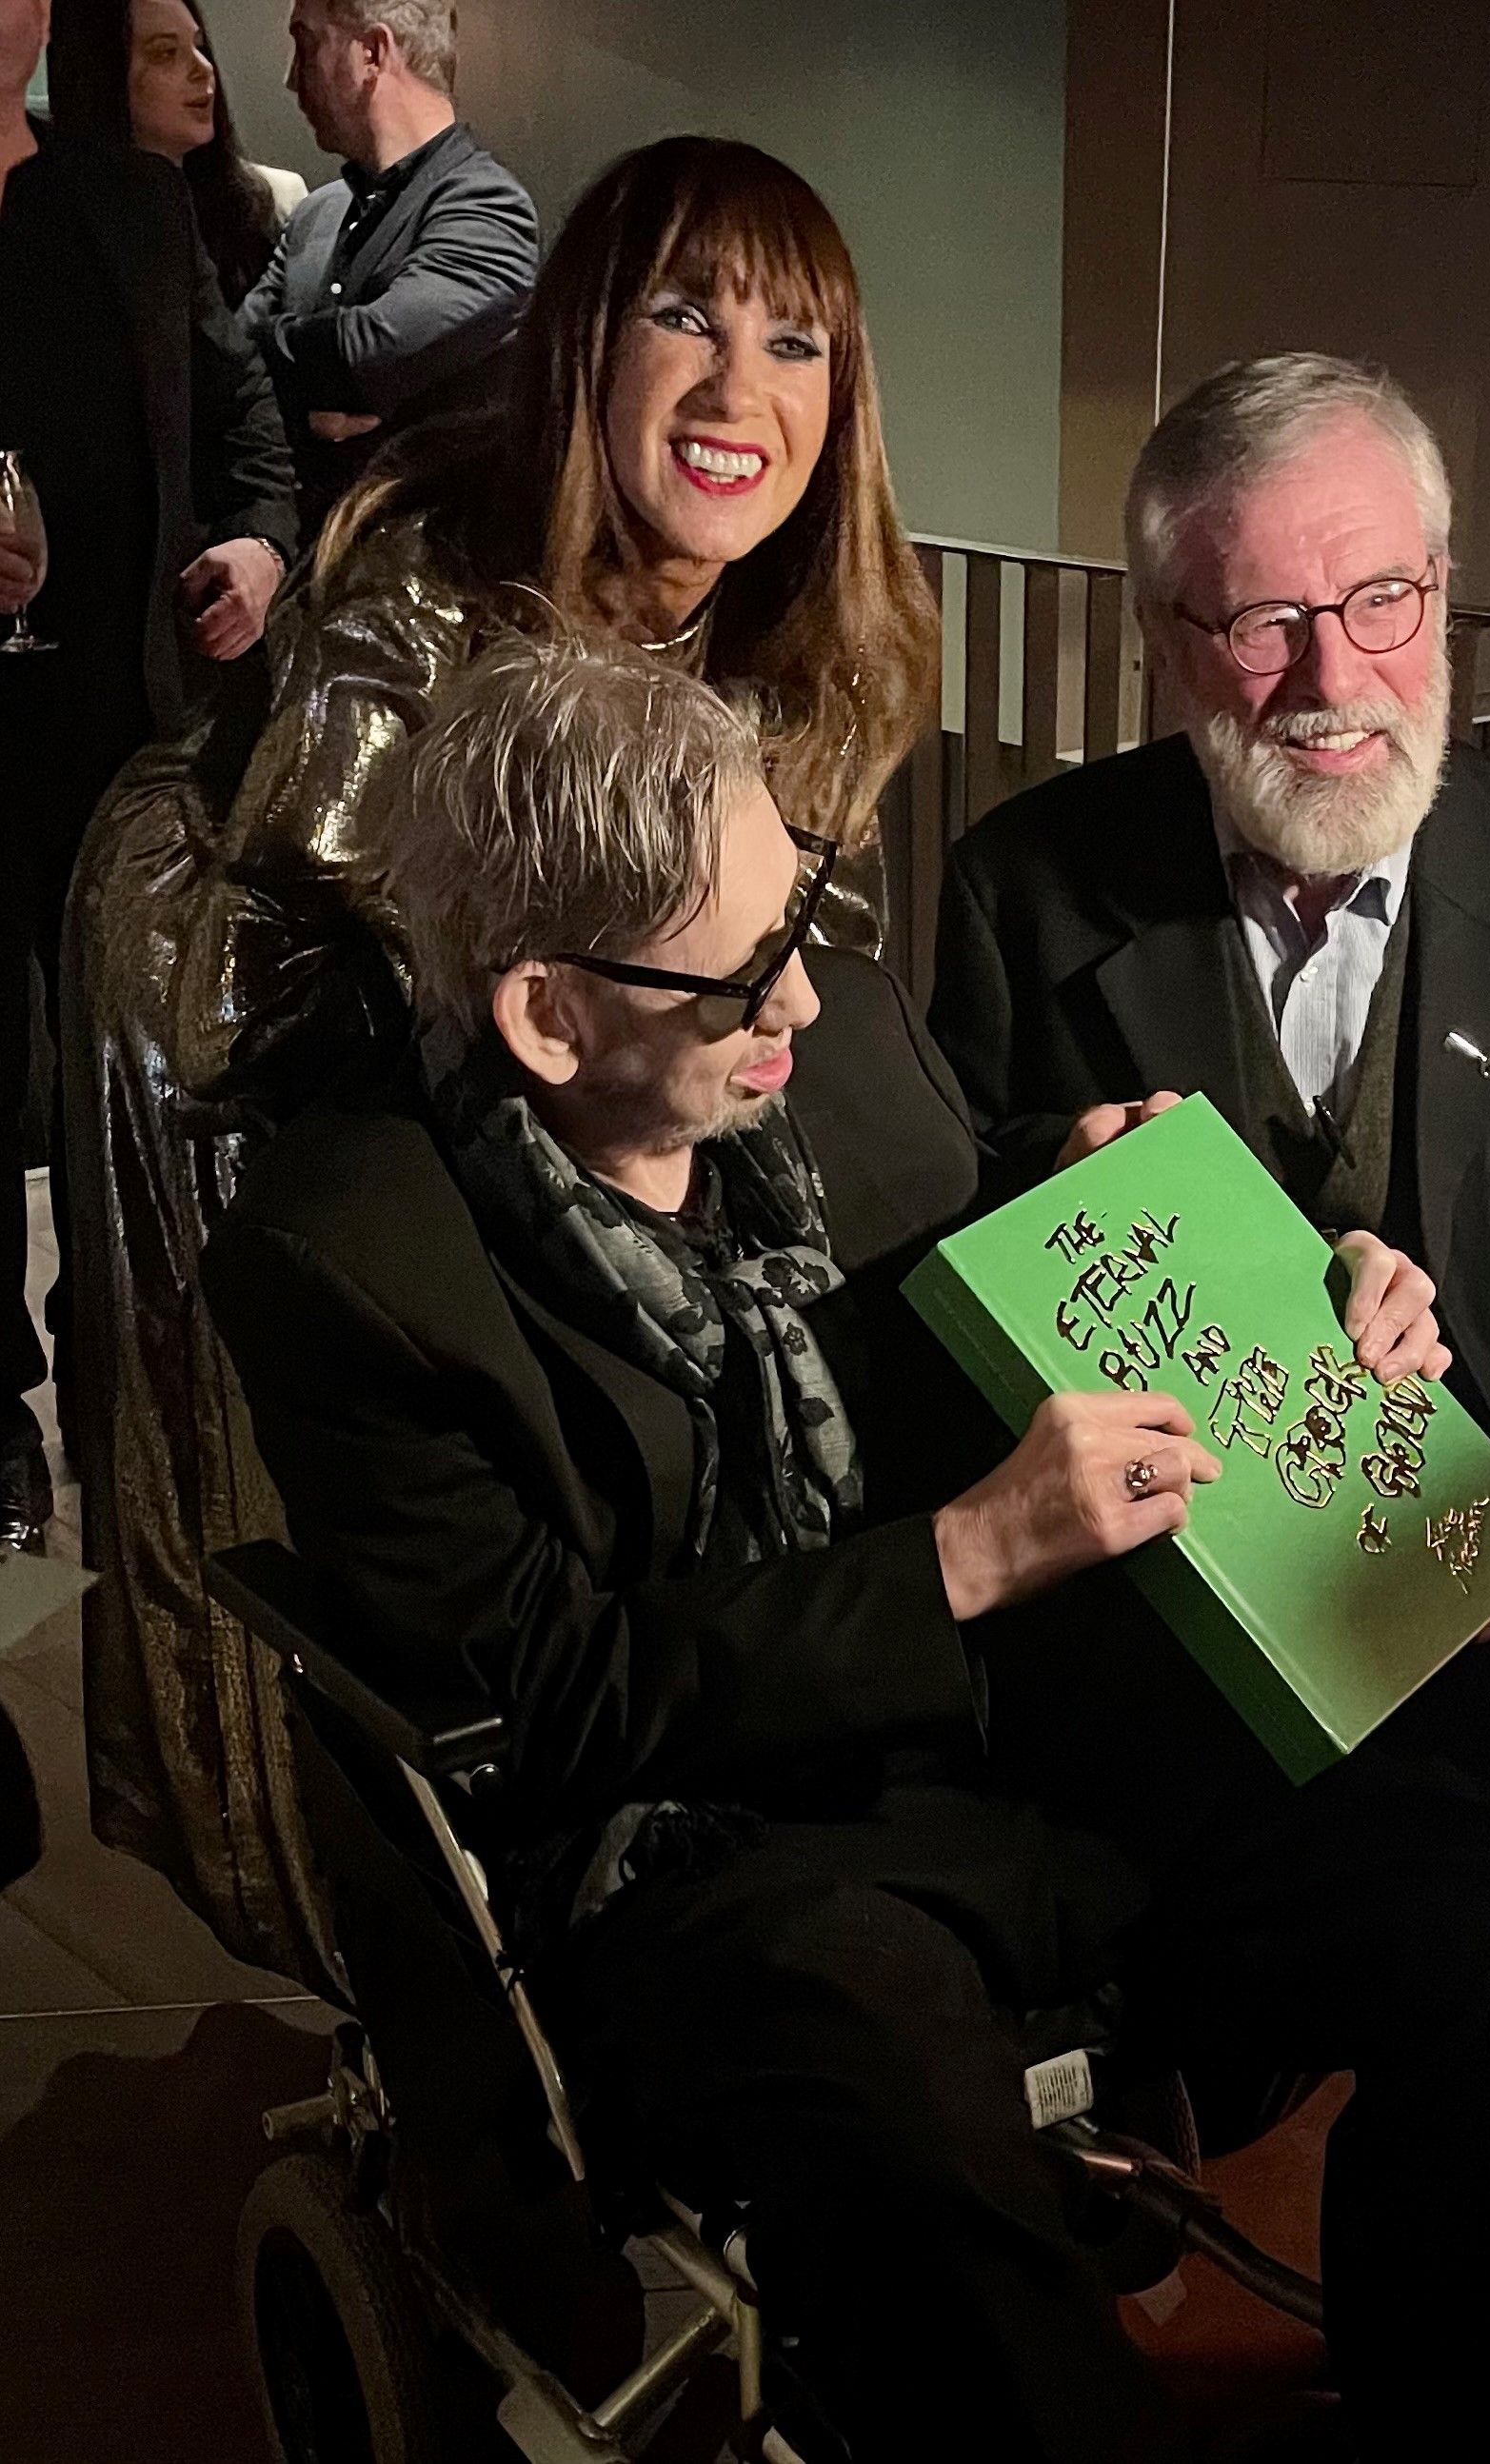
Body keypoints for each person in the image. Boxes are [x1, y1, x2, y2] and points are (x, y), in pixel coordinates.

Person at [202, 634, 1490, 2464]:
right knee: (898, 2106)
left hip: (1019, 1741)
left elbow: (972, 1235)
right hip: (700, 1847)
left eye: (798, 908)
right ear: (548, 1015)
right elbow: (540, 1690)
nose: (800, 995)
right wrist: (959, 1555)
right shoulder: (360, 1265)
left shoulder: (849, 1036)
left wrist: (1291, 1281)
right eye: (739, 979)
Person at [65, 135, 939, 1981]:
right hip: (274, 983)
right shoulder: (419, 580)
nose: (735, 393)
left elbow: (763, 967)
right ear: (581, 344)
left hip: (574, 1042)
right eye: (681, 316)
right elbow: (256, 995)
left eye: (796, 343)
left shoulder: (819, 635)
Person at [930, 351, 1490, 2139]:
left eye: (1381, 598)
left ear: (1443, 596)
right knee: (1118, 1827)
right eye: (1263, 620)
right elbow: (942, 1206)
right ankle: (1168, 2112)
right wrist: (1049, 1168)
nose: (1334, 678)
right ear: (1170, 640)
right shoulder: (1025, 881)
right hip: (1168, 1584)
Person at [0, 0, 295, 1558]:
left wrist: (261, 546)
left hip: (128, 729)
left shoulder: (123, 200)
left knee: (131, 1083)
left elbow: (249, 428)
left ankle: (119, 1392)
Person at [244, 0, 538, 536]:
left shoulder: (488, 209)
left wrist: (272, 382)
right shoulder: (317, 212)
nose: (291, 78)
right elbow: (224, 365)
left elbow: (366, 354)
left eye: (306, 44)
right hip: (288, 575)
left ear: (372, 53)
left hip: (412, 587)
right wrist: (302, 419)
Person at [48, 0, 307, 311]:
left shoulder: (272, 202)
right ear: (105, 75)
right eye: (167, 53)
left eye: (199, 46)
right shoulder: (55, 223)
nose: (203, 68)